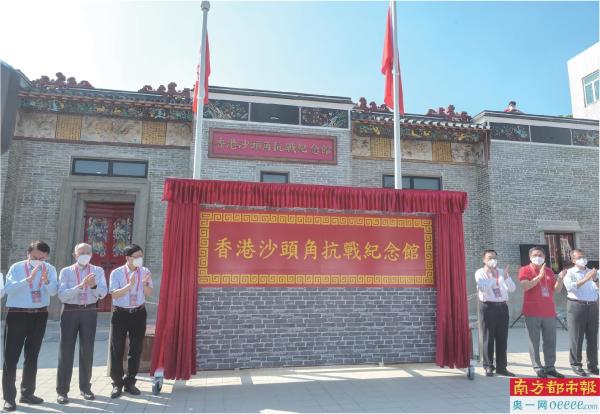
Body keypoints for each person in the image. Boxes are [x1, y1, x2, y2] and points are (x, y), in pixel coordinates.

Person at [2, 241, 58, 412]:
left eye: (42, 258)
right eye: (35, 257)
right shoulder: (17, 268)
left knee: (32, 355)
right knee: (11, 357)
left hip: (40, 314)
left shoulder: (50, 269)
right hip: (18, 314)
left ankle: (27, 393)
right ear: (28, 254)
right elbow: (8, 289)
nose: (38, 261)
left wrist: (46, 281)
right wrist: (28, 280)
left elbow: (53, 292)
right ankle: (9, 398)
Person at [56, 243, 108, 404]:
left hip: (89, 310)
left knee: (87, 350)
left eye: (88, 252)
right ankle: (62, 391)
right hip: (70, 311)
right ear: (75, 255)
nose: (85, 255)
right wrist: (80, 286)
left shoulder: (98, 271)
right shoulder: (66, 271)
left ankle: (85, 387)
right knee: (66, 351)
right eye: (81, 253)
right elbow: (62, 296)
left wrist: (93, 286)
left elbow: (103, 294)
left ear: (91, 254)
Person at [109, 244, 153, 398]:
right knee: (117, 348)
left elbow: (149, 293)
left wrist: (145, 284)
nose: (140, 259)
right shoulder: (117, 273)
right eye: (136, 256)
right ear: (128, 258)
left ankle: (130, 382)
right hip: (120, 313)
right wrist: (130, 285)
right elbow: (114, 295)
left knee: (135, 348)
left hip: (138, 313)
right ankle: (117, 383)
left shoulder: (145, 271)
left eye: (141, 256)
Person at [518, 246, 566, 378]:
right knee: (534, 340)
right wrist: (539, 276)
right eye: (535, 255)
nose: (537, 257)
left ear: (544, 257)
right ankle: (537, 366)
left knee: (550, 340)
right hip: (532, 311)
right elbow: (525, 286)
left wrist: (560, 279)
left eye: (540, 255)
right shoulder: (525, 269)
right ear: (530, 257)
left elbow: (556, 290)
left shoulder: (549, 271)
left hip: (549, 311)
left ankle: (550, 367)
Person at [475, 250, 516, 377]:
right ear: (484, 260)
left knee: (502, 338)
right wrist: (493, 277)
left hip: (502, 307)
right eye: (489, 258)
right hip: (488, 307)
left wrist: (507, 277)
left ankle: (501, 367)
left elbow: (512, 288)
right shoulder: (480, 272)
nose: (492, 260)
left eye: (494, 257)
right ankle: (488, 366)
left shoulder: (502, 272)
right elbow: (483, 288)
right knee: (488, 337)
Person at [563, 249, 598, 376]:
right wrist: (586, 278)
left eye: (583, 256)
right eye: (578, 257)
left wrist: (595, 279)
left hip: (592, 306)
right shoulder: (569, 273)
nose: (582, 259)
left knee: (592, 338)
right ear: (573, 260)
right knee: (577, 337)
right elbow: (571, 287)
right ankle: (576, 364)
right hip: (576, 306)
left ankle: (593, 365)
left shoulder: (593, 272)